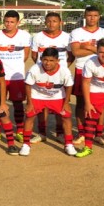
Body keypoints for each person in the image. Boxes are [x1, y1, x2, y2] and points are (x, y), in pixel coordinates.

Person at [69, 6, 104, 145]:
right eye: (89, 15)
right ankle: (81, 133)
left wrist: (88, 47)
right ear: (85, 16)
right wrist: (99, 51)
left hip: (101, 70)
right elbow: (76, 52)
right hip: (81, 69)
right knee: (81, 102)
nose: (92, 18)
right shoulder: (76, 32)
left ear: (99, 16)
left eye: (95, 15)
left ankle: (99, 133)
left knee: (101, 102)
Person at [20, 48, 76, 156]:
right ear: (41, 59)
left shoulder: (64, 70)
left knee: (66, 116)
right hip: (38, 96)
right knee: (29, 116)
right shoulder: (35, 69)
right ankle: (26, 145)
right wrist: (29, 103)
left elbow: (69, 86)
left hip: (57, 96)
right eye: (45, 60)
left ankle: (69, 144)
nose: (48, 63)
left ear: (57, 60)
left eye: (51, 60)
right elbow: (28, 85)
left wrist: (66, 103)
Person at [30, 12, 74, 143]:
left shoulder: (67, 37)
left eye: (54, 21)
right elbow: (34, 55)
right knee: (41, 104)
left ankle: (60, 132)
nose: (51, 24)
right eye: (49, 21)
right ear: (45, 22)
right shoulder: (38, 37)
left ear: (60, 23)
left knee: (60, 103)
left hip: (59, 75)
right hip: (42, 74)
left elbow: (71, 56)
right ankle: (42, 132)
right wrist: (42, 68)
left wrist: (63, 67)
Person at [0, 10, 31, 143]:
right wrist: (0, 71)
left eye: (12, 22)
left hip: (16, 76)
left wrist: (15, 65)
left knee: (18, 104)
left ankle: (19, 130)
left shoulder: (24, 35)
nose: (9, 24)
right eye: (7, 21)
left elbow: (25, 56)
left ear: (18, 22)